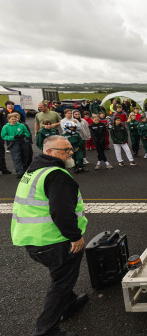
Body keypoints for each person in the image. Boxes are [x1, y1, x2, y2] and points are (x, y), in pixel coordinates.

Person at [11, 135, 88, 336]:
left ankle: (69, 305)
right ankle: (47, 330)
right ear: (49, 152)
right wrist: (75, 236)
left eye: (71, 149)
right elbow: (61, 212)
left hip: (33, 240)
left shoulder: (34, 170)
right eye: (66, 150)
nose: (71, 153)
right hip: (55, 241)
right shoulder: (57, 176)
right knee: (61, 283)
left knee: (61, 276)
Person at [1, 113, 31, 178]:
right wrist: (13, 137)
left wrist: (23, 135)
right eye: (12, 119)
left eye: (15, 119)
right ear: (9, 120)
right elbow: (3, 136)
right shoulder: (6, 127)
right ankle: (20, 172)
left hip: (23, 141)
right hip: (13, 142)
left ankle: (25, 170)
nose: (14, 120)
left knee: (25, 156)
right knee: (16, 158)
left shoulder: (21, 125)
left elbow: (27, 133)